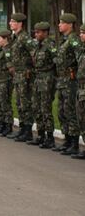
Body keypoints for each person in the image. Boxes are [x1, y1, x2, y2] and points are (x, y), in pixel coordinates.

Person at [52, 13, 82, 156]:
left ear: (69, 25)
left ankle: (74, 143)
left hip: (70, 81)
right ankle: (67, 140)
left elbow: (80, 58)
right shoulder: (64, 40)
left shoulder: (74, 40)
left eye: (62, 23)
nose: (59, 25)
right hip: (62, 81)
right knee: (62, 111)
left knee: (70, 112)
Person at [26, 22, 56, 148]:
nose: (36, 34)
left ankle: (50, 138)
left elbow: (57, 63)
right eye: (35, 32)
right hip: (37, 79)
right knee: (36, 108)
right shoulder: (37, 46)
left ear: (45, 33)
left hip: (47, 80)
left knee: (45, 109)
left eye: (38, 32)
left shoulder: (50, 46)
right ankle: (40, 135)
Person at [7, 13, 36, 142]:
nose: (10, 23)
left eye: (13, 21)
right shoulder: (15, 37)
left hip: (25, 74)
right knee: (19, 102)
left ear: (20, 24)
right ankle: (22, 129)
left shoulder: (25, 38)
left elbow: (34, 54)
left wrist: (31, 70)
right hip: (17, 75)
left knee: (25, 103)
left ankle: (28, 131)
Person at [72, 24, 85, 159]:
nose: (80, 35)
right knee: (81, 119)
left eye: (83, 33)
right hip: (81, 88)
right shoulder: (82, 51)